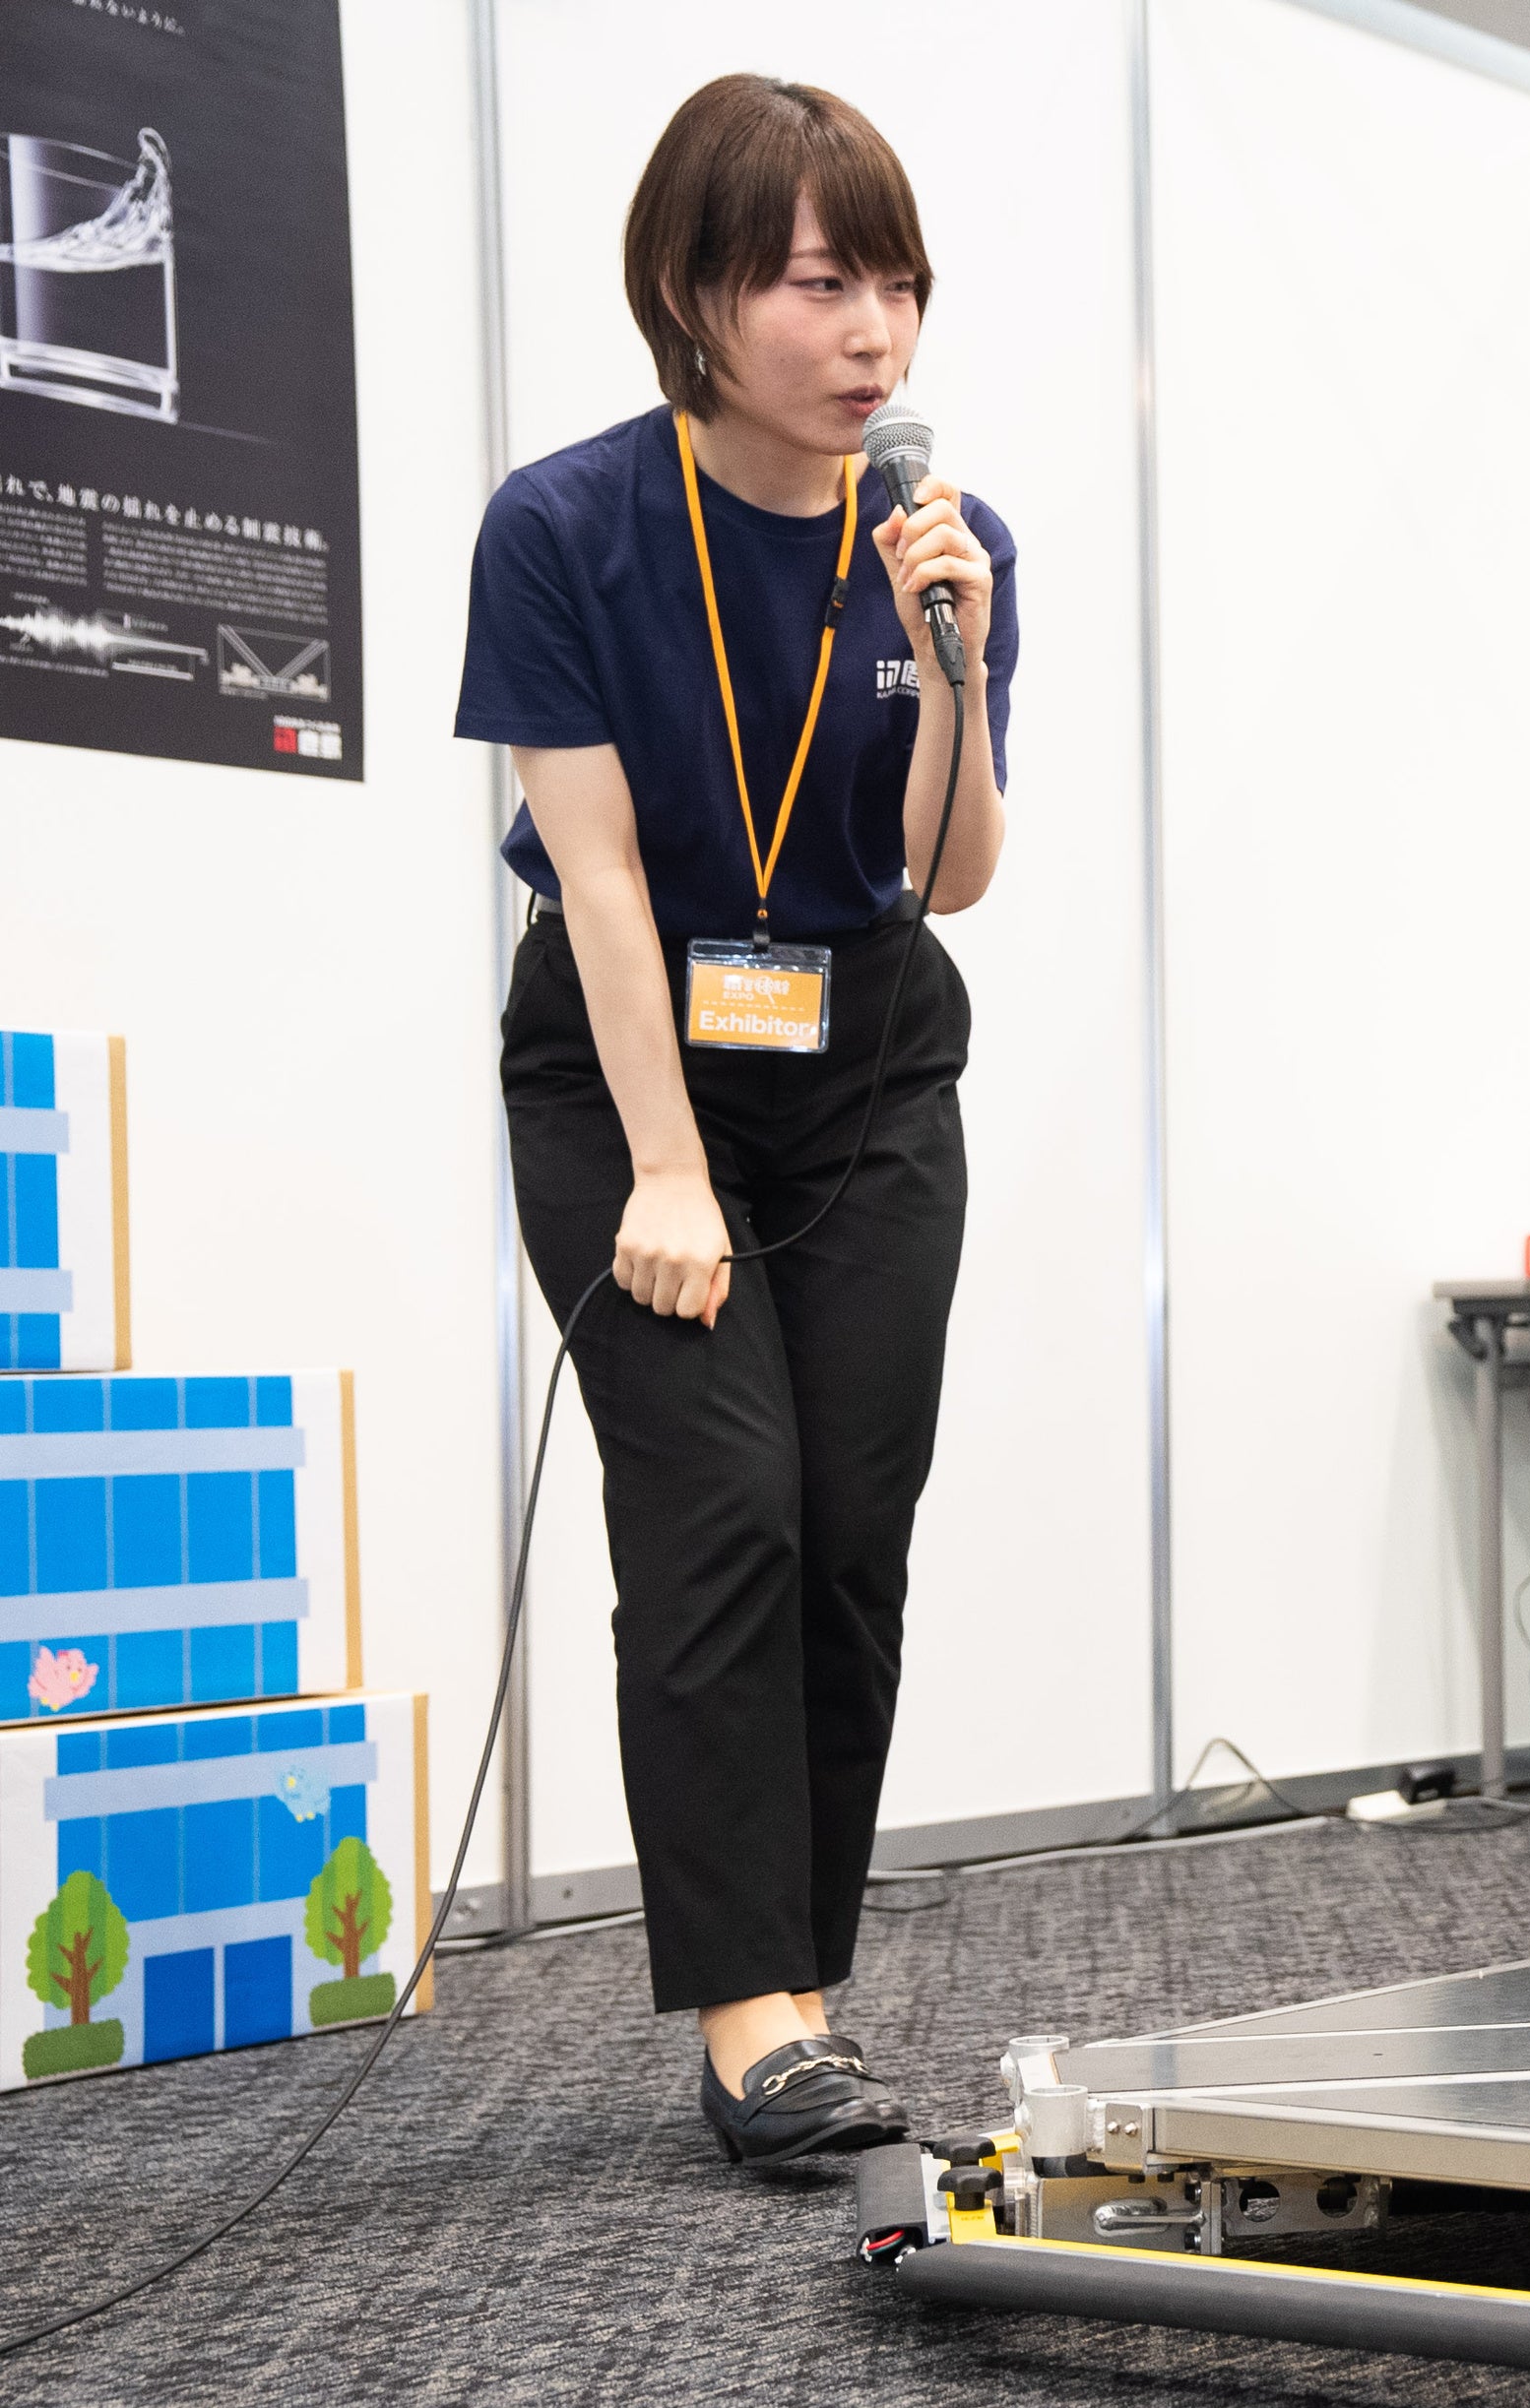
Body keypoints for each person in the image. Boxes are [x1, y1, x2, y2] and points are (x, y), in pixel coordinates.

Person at [453, 75, 1015, 2166]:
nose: (874, 330)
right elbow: (594, 873)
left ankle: (808, 1978)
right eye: (818, 281)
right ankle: (750, 2016)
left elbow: (947, 872)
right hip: (626, 1067)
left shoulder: (954, 548)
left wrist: (947, 664)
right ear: (696, 295)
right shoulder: (568, 524)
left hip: (868, 1060)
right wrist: (665, 1167)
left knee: (852, 1535)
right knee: (722, 1514)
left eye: (900, 284)